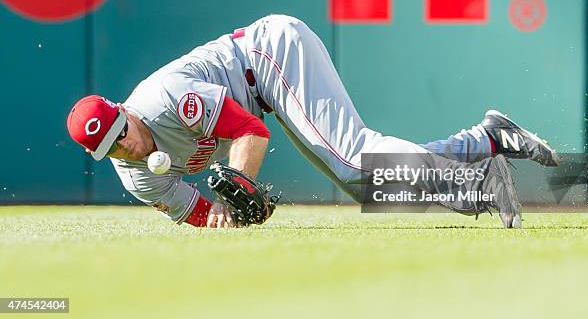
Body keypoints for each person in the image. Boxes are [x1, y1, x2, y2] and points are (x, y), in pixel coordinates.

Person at [67, 15, 559, 229]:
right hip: (264, 90)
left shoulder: (164, 100)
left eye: (121, 132)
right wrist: (227, 214)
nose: (124, 147)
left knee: (351, 160)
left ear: (123, 110)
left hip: (269, 56)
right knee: (362, 182)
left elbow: (249, 131)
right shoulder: (136, 178)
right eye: (109, 147)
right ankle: (485, 140)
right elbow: (195, 211)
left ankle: (480, 184)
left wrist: (237, 182)